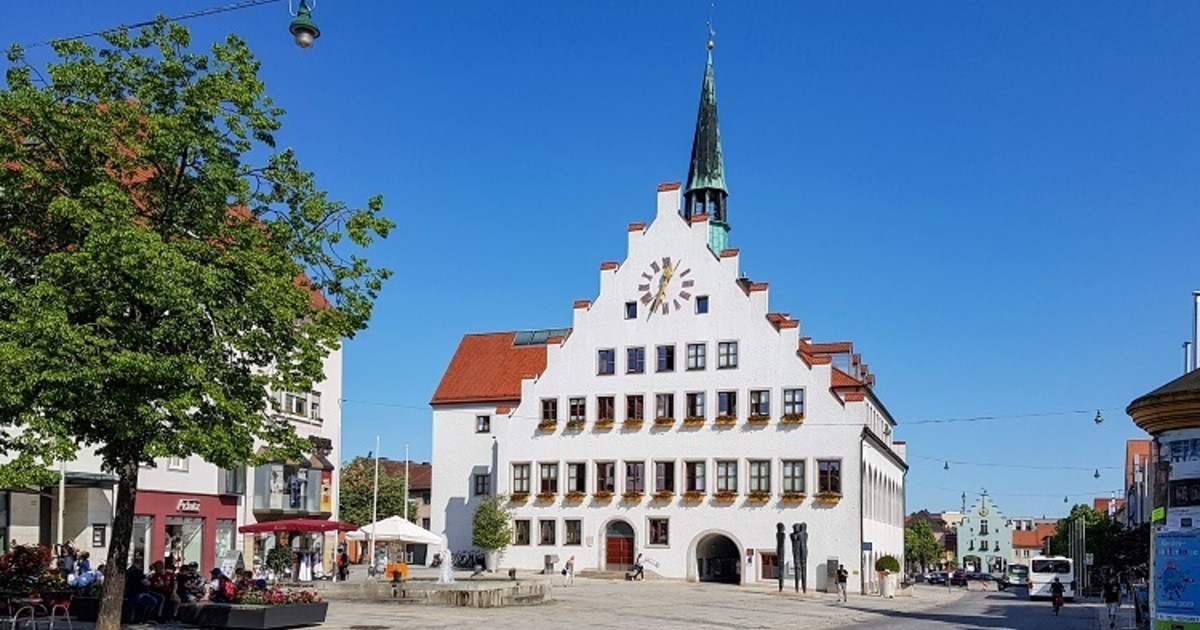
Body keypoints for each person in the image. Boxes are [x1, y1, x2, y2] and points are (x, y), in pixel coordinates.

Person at [125, 558, 165, 623]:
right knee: (154, 601)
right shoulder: (136, 572)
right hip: (138, 593)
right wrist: (152, 582)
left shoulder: (129, 570)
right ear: (140, 564)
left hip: (132, 592)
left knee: (159, 597)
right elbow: (146, 583)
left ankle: (155, 616)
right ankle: (147, 618)